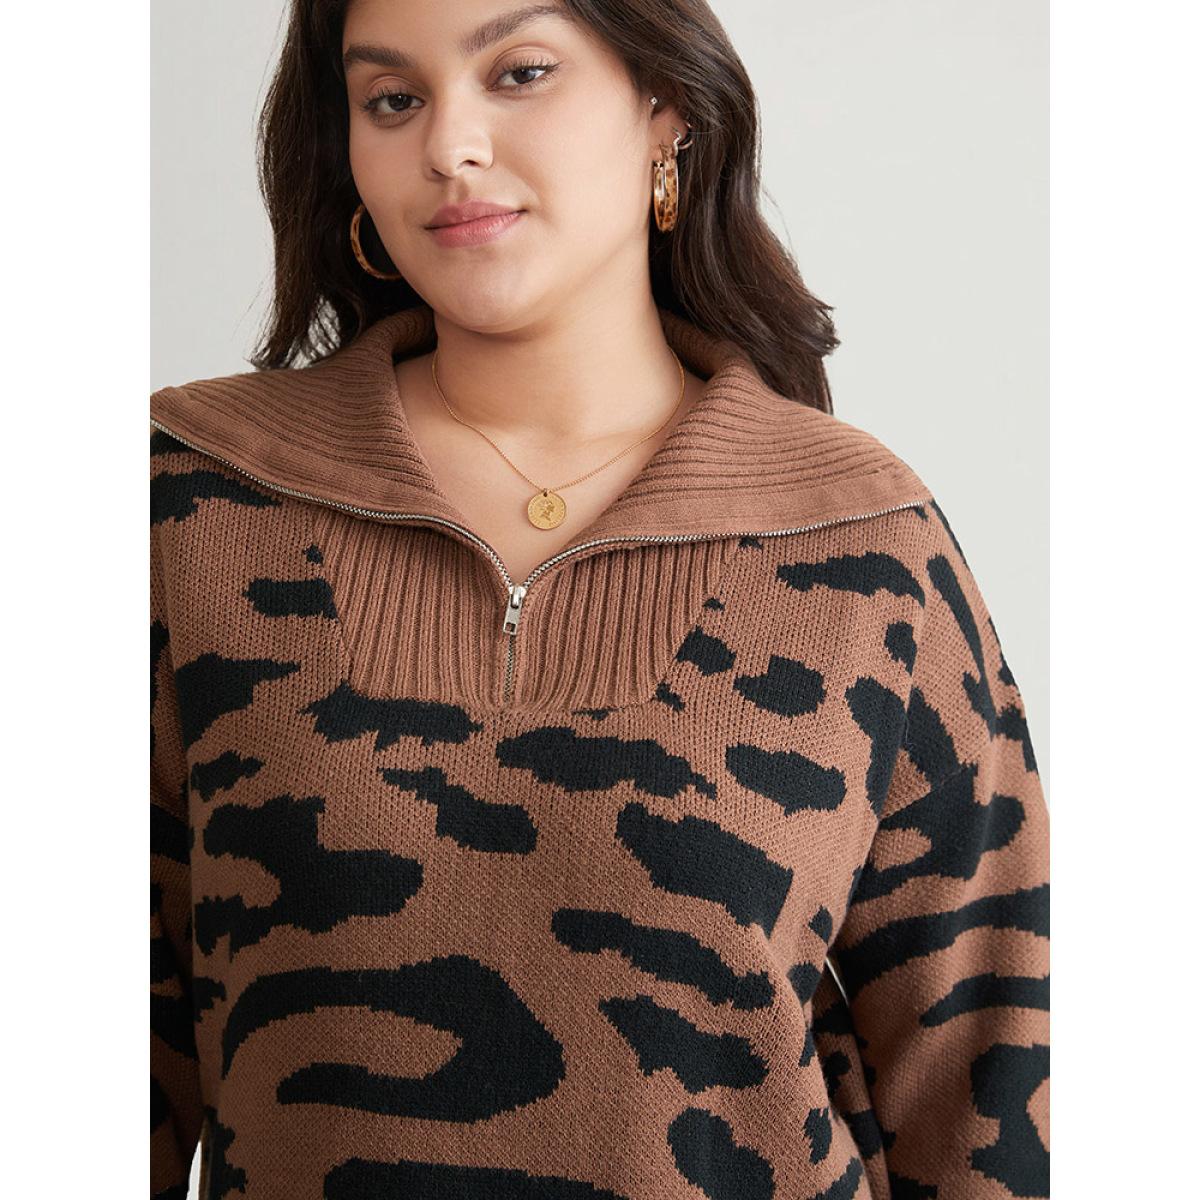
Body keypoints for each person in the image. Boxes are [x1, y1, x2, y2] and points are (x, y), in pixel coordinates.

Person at [150, 1, 1050, 1196]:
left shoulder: (863, 542)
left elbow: (992, 1075)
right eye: (392, 99)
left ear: (665, 110)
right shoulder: (195, 502)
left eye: (519, 72)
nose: (449, 145)